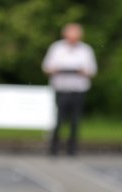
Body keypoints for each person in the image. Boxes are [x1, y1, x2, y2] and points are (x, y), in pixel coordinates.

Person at [41, 23, 97, 157]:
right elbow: (47, 68)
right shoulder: (56, 48)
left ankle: (72, 149)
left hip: (78, 89)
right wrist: (57, 69)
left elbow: (92, 70)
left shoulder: (85, 50)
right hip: (61, 88)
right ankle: (54, 148)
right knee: (58, 119)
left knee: (75, 120)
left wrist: (82, 72)